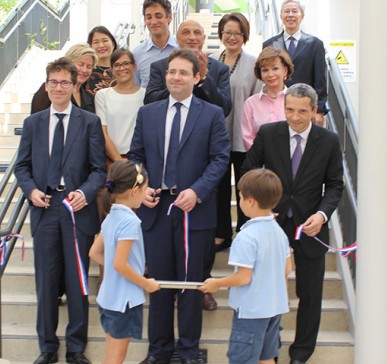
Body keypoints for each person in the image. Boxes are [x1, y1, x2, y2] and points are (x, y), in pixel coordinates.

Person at [128, 48, 230, 364]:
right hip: (156, 210)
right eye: (172, 71)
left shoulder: (211, 114)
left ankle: (188, 350)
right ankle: (158, 350)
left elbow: (220, 158)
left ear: (198, 78)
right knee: (157, 283)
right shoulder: (149, 113)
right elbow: (136, 156)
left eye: (183, 72)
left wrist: (197, 191)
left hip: (193, 211)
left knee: (189, 284)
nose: (176, 77)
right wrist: (140, 186)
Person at [242, 83, 343, 364]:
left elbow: (335, 186)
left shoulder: (330, 141)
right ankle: (268, 350)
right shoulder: (268, 134)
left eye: (301, 111)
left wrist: (322, 215)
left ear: (313, 110)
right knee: (267, 290)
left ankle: (301, 353)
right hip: (272, 226)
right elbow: (249, 171)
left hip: (311, 227)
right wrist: (264, 206)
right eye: (289, 110)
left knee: (310, 294)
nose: (295, 117)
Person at [14, 57, 106, 364]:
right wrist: (31, 191)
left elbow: (98, 170)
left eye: (64, 82)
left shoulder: (89, 122)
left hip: (76, 210)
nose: (58, 87)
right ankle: (47, 348)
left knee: (77, 281)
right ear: (46, 85)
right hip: (45, 208)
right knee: (46, 283)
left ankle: (76, 348)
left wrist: (85, 193)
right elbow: (22, 167)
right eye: (53, 82)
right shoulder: (33, 123)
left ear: (73, 84)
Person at [199, 168, 292, 364]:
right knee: (267, 357)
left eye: (240, 197)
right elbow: (287, 269)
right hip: (275, 307)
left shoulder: (246, 237)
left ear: (250, 201)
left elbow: (243, 277)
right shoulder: (279, 232)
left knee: (242, 359)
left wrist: (216, 283)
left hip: (251, 311)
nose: (240, 202)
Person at [89, 160, 161, 364]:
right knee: (116, 358)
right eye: (145, 189)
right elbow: (120, 264)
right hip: (124, 301)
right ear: (135, 190)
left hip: (108, 297)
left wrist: (114, 267)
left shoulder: (111, 215)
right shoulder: (130, 221)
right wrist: (145, 283)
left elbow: (94, 253)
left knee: (110, 356)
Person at [209, 12, 263, 254]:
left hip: (243, 134)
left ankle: (244, 230)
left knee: (244, 184)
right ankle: (221, 232)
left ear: (245, 36)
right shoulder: (210, 61)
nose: (231, 37)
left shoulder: (254, 64)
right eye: (227, 32)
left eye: (237, 33)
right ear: (220, 34)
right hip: (216, 135)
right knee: (219, 186)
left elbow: (257, 100)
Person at [144, 19, 232, 118]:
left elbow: (225, 109)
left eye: (197, 33)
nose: (192, 37)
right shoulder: (159, 67)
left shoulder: (220, 69)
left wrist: (204, 78)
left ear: (203, 38)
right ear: (177, 38)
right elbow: (149, 102)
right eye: (186, 33)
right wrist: (178, 85)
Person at [263, 0, 328, 125]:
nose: (290, 15)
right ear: (281, 16)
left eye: (295, 11)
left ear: (302, 16)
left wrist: (319, 111)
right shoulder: (269, 44)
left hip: (305, 106)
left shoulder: (315, 44)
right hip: (277, 106)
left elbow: (320, 80)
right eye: (286, 11)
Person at [95, 49, 145, 164]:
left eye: (126, 63)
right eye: (116, 65)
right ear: (111, 70)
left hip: (138, 161)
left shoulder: (145, 95)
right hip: (111, 161)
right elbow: (103, 133)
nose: (122, 68)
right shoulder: (102, 95)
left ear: (134, 66)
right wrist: (119, 161)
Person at [241, 47, 294, 151]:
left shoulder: (296, 100)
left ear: (285, 71)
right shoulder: (251, 103)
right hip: (261, 162)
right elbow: (247, 137)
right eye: (265, 70)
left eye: (275, 68)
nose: (270, 74)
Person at [30, 44, 97, 114]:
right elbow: (37, 120)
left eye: (89, 67)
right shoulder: (50, 89)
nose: (84, 70)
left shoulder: (89, 97)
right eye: (80, 64)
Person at [132, 0, 178, 88]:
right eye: (149, 17)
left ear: (169, 17)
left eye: (158, 16)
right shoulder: (137, 53)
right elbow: (136, 88)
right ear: (145, 20)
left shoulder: (182, 48)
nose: (153, 22)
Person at [86, 26, 118, 95]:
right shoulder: (86, 71)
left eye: (105, 40)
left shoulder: (122, 70)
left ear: (113, 44)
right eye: (96, 42)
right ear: (90, 46)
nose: (101, 45)